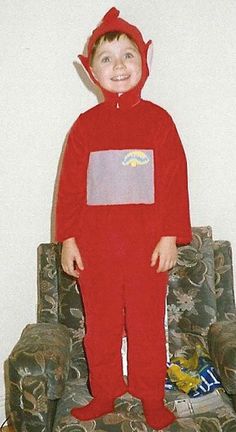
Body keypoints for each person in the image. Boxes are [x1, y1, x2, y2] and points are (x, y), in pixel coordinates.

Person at [55, 7, 192, 430]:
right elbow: (71, 189)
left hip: (148, 251)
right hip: (96, 253)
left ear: (144, 61)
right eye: (107, 58)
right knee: (101, 327)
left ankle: (150, 393)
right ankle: (107, 392)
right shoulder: (84, 126)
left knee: (148, 324)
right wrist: (69, 239)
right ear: (91, 70)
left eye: (127, 55)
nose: (118, 66)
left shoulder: (159, 122)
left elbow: (174, 182)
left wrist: (170, 234)